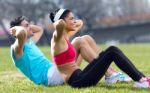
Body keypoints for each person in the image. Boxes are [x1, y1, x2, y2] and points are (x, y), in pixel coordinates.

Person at [49, 8, 150, 88]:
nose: (74, 21)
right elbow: (59, 25)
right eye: (71, 19)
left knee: (107, 48)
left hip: (81, 75)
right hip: (77, 81)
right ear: (62, 21)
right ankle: (140, 81)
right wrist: (59, 19)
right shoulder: (57, 38)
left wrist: (70, 20)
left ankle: (142, 78)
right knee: (112, 51)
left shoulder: (66, 35)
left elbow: (80, 23)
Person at [10, 16, 64, 86]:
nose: (30, 27)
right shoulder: (17, 48)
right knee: (77, 43)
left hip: (53, 71)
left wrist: (28, 27)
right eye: (27, 25)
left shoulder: (30, 42)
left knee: (77, 43)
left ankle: (77, 77)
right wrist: (15, 29)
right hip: (48, 77)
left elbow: (40, 30)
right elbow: (21, 33)